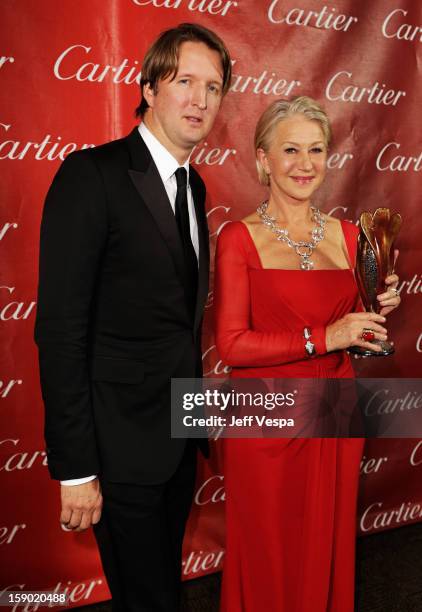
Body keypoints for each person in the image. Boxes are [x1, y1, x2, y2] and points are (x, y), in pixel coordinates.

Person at [35, 23, 231, 612]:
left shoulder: (194, 186)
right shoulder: (89, 175)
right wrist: (75, 469)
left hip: (176, 435)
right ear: (148, 87)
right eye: (185, 81)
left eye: (214, 87)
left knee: (158, 590)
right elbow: (60, 330)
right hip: (116, 447)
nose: (200, 99)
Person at [214, 96, 400, 612]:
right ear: (261, 160)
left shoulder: (350, 236)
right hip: (265, 420)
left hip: (335, 412)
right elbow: (231, 345)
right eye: (290, 149)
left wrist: (379, 304)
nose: (305, 164)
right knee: (270, 551)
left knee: (327, 544)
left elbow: (362, 331)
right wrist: (326, 336)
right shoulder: (237, 238)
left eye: (316, 150)